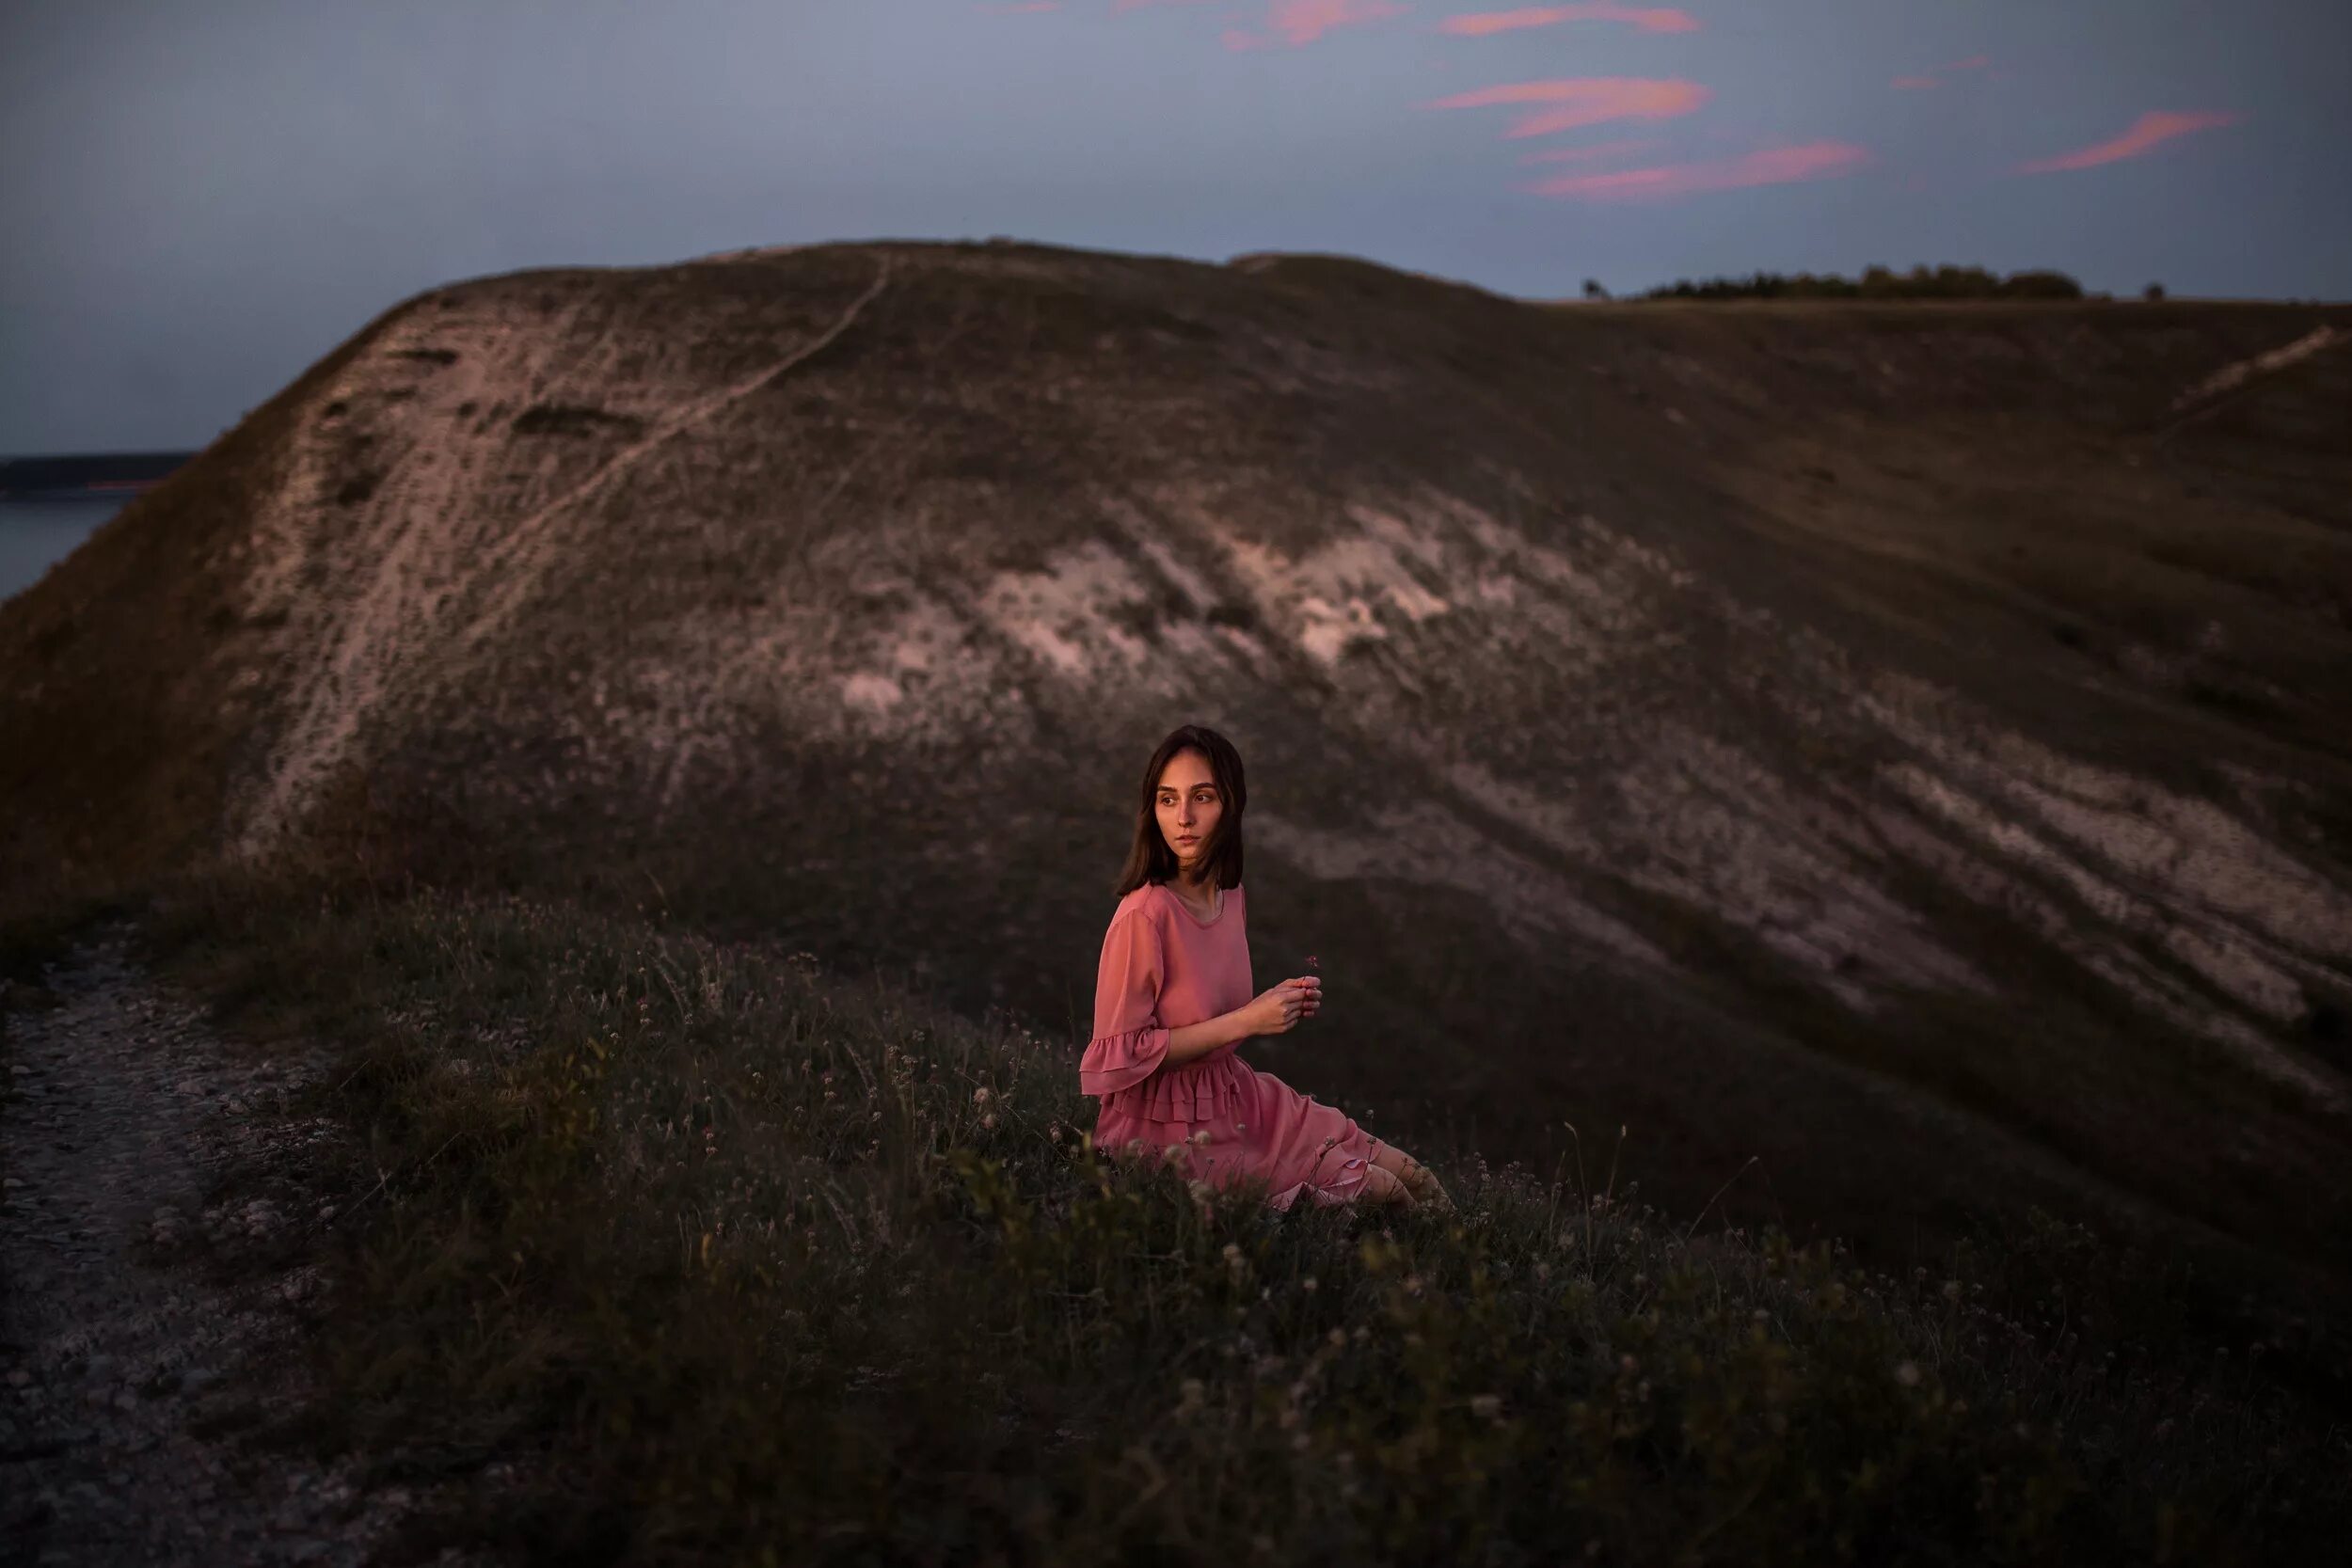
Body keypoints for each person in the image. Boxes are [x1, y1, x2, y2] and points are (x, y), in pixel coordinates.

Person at [1078, 723, 1452, 1211]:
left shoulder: (1229, 897)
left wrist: (1278, 1005)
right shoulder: (1143, 916)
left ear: (1231, 806)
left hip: (1234, 1096)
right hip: (1162, 1124)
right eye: (1168, 800)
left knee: (1418, 1179)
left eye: (1203, 797)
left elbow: (1211, 996)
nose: (1183, 818)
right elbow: (1119, 1057)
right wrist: (1249, 1020)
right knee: (1388, 1194)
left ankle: (1482, 1273)